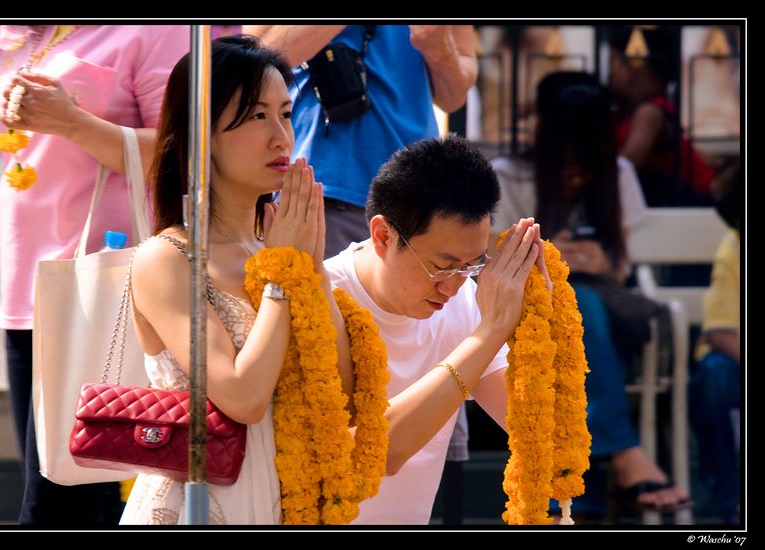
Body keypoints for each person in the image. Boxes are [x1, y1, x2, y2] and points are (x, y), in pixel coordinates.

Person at [118, 35, 355, 525]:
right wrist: (286, 270)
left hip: (290, 496)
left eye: (286, 114)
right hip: (201, 502)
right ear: (200, 132)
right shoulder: (166, 257)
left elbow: (343, 389)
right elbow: (242, 397)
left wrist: (309, 268)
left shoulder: (277, 240)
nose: (281, 138)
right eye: (255, 116)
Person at [0, 24, 190, 526]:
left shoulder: (153, 32)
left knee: (57, 506)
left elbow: (189, 156)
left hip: (104, 290)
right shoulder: (16, 33)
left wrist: (74, 122)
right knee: (80, 501)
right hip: (26, 288)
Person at [490, 71, 691, 518]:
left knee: (585, 304)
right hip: (535, 315)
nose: (575, 168)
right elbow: (494, 264)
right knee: (575, 305)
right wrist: (551, 257)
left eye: (584, 154)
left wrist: (600, 262)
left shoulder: (616, 173)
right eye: (565, 153)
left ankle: (580, 488)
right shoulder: (509, 176)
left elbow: (622, 267)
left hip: (611, 311)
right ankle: (618, 458)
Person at [325, 134, 548, 524]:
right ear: (383, 236)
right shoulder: (321, 299)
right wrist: (490, 332)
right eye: (442, 265)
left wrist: (537, 327)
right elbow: (374, 453)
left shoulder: (464, 302)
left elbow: (535, 426)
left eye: (471, 266)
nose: (453, 285)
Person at [245, 24, 478, 257]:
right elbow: (254, 56)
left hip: (418, 199)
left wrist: (440, 49)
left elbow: (453, 98)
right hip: (321, 195)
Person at [609, 27, 715, 207]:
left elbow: (629, 163)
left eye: (613, 62)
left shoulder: (650, 110)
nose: (610, 72)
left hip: (693, 202)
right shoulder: (633, 109)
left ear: (633, 67)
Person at [689, 162, 741, 524]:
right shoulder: (735, 248)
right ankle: (730, 502)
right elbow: (722, 333)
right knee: (715, 375)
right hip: (734, 360)